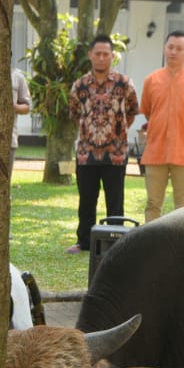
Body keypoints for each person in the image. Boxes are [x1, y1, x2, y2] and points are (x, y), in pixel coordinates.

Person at [66, 35, 139, 254]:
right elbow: (74, 114)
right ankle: (84, 242)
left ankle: (116, 244)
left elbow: (132, 111)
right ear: (90, 55)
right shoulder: (80, 86)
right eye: (97, 53)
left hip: (115, 155)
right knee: (86, 200)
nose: (101, 58)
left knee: (115, 201)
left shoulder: (124, 83)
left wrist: (115, 132)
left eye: (105, 54)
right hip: (86, 155)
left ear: (112, 56)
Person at [139, 31, 184, 223]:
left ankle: (180, 250)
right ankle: (152, 247)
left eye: (179, 48)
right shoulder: (151, 80)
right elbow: (148, 112)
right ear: (164, 48)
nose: (173, 52)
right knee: (153, 204)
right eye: (170, 47)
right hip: (155, 152)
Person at [10, 67, 32, 179]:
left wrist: (14, 107)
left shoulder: (16, 76)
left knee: (4, 183)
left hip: (9, 140)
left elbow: (27, 107)